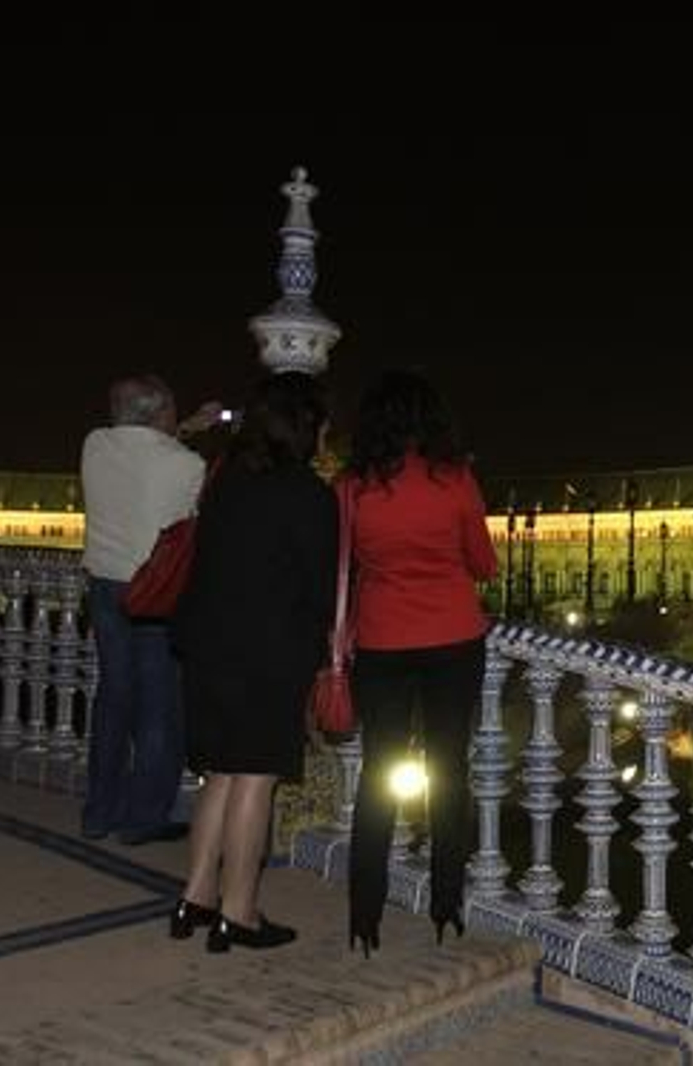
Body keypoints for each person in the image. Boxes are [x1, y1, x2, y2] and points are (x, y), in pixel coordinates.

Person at [170, 372, 337, 951]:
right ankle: (238, 911)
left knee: (218, 771)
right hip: (267, 650)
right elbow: (319, 590)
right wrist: (322, 657)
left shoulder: (227, 481)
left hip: (207, 644)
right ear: (306, 426)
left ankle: (195, 895)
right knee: (255, 780)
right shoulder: (309, 495)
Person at [344, 369, 498, 957]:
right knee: (449, 770)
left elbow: (345, 561)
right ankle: (445, 906)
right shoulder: (454, 479)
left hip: (382, 639)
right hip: (454, 637)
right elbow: (484, 564)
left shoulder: (353, 487)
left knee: (379, 772)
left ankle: (364, 915)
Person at [79, 374, 221, 845]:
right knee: (159, 706)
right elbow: (184, 499)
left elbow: (141, 451)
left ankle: (99, 812)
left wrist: (184, 426)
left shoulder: (94, 445)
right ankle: (143, 816)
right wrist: (190, 433)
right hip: (155, 593)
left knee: (114, 697)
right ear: (161, 413)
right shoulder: (187, 465)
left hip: (104, 586)